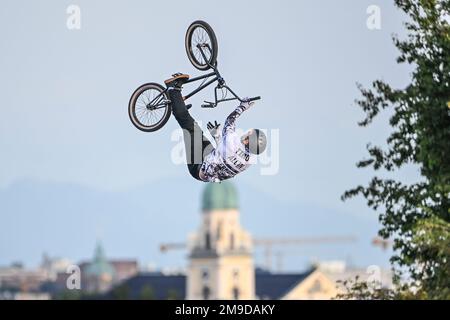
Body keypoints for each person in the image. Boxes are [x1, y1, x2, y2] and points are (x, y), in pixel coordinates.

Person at [165, 73, 267, 182]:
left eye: (247, 135)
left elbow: (230, 120)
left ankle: (173, 89)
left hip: (198, 167)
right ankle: (178, 105)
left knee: (189, 127)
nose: (244, 134)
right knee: (196, 130)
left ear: (247, 141)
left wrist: (242, 107)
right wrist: (216, 135)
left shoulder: (232, 143)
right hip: (210, 162)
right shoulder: (249, 161)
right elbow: (222, 157)